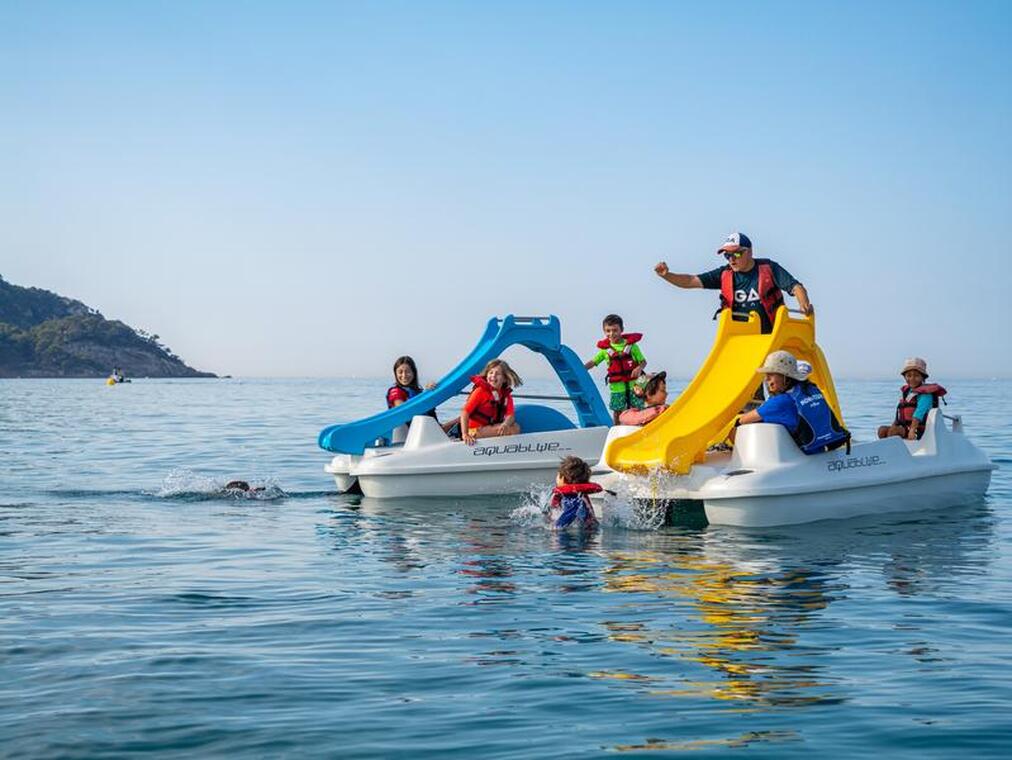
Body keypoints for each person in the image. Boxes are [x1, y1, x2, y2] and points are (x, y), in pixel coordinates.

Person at [654, 232, 813, 334]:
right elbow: (690, 281)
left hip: (771, 335)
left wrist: (804, 304)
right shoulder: (724, 274)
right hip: (739, 338)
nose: (731, 259)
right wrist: (667, 275)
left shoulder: (768, 268)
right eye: (727, 255)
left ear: (749, 252)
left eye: (736, 254)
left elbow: (796, 287)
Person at [733, 351, 849, 454]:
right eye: (766, 375)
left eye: (771, 374)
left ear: (785, 377)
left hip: (798, 457)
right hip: (818, 449)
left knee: (737, 427)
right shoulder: (809, 389)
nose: (767, 379)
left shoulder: (779, 402)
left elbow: (743, 420)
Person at [584, 314, 648, 424]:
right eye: (608, 331)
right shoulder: (605, 350)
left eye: (615, 330)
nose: (611, 334)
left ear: (621, 330)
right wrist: (581, 369)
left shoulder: (632, 346)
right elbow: (593, 362)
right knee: (617, 410)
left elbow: (643, 362)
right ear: (604, 331)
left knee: (638, 408)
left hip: (634, 385)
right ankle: (616, 429)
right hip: (617, 388)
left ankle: (641, 427)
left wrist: (638, 368)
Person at [877, 357, 947, 441]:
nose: (912, 378)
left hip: (919, 430)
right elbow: (900, 412)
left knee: (894, 432)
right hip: (905, 427)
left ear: (923, 377)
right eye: (909, 376)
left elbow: (919, 413)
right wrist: (894, 425)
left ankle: (894, 448)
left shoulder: (925, 395)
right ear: (904, 377)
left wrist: (912, 430)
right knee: (882, 430)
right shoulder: (907, 392)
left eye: (916, 376)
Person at [460, 359, 522, 445]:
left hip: (489, 428)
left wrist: (505, 424)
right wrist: (465, 434)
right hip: (474, 431)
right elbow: (465, 412)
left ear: (504, 379)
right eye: (491, 373)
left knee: (516, 427)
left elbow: (510, 416)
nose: (493, 375)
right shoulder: (480, 391)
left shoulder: (506, 396)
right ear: (487, 375)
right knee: (512, 430)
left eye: (498, 374)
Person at [548, 455, 602, 530]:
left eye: (558, 475)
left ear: (562, 478)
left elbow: (569, 514)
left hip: (585, 532)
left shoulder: (573, 498)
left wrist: (555, 528)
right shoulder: (577, 495)